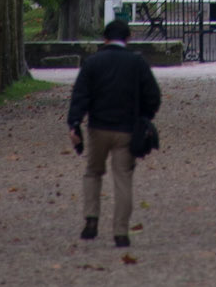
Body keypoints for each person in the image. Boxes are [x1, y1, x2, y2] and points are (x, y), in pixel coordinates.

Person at [67, 18, 161, 246]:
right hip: (127, 129)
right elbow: (153, 96)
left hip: (98, 128)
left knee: (93, 172)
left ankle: (91, 218)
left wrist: (75, 123)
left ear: (105, 39)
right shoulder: (136, 63)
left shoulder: (93, 63)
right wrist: (144, 117)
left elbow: (80, 95)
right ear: (128, 38)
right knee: (123, 179)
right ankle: (120, 231)